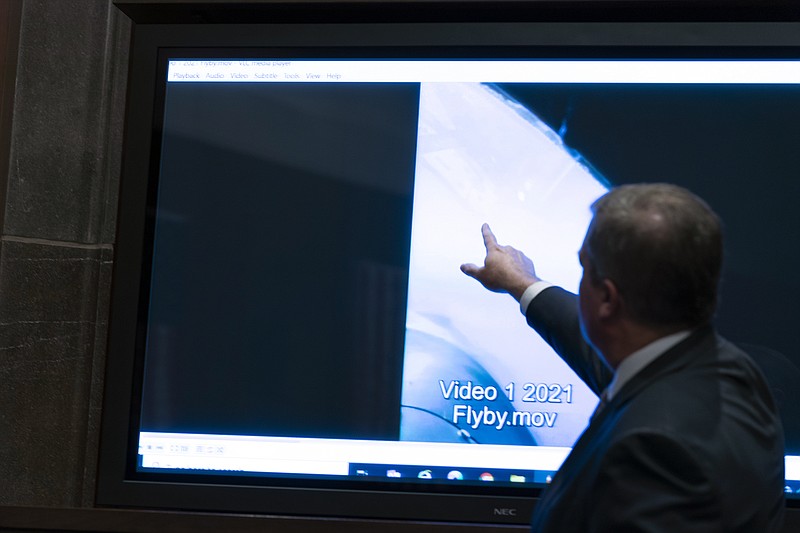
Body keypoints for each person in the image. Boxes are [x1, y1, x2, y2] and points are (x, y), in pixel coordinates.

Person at [460, 183, 785, 532]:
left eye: (584, 269)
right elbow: (624, 375)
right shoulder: (735, 372)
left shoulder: (648, 456)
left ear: (608, 300)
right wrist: (522, 283)